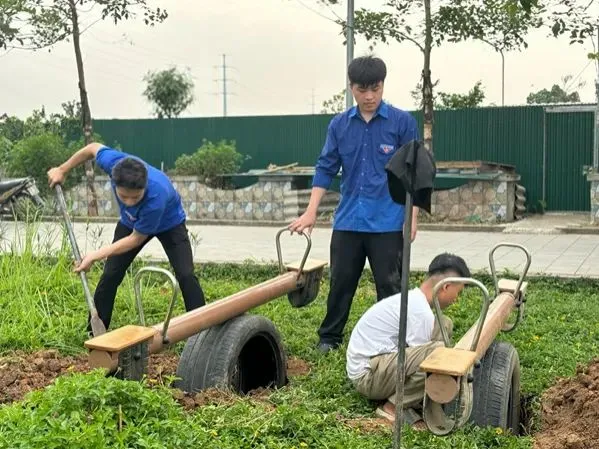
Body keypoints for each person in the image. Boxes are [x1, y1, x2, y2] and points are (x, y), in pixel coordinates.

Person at [288, 55, 420, 352]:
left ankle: (392, 341)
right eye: (362, 89)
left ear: (383, 85)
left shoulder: (402, 123)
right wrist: (311, 212)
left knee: (389, 285)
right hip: (348, 220)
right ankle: (330, 338)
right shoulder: (339, 125)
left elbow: (415, 171)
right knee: (341, 282)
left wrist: (412, 217)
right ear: (351, 88)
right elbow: (325, 167)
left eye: (375, 88)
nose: (369, 96)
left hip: (387, 220)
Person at [47, 142, 206, 331]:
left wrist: (95, 255)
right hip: (131, 222)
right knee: (111, 274)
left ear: (145, 186)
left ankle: (201, 332)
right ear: (114, 182)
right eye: (124, 197)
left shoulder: (157, 196)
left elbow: (135, 239)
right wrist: (62, 169)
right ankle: (95, 332)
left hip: (169, 224)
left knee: (186, 275)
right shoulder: (114, 163)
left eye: (135, 198)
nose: (129, 202)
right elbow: (92, 148)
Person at [346, 253, 471, 426]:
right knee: (436, 353)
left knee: (444, 323)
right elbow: (426, 363)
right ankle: (392, 407)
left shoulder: (414, 299)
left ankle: (418, 397)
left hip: (378, 363)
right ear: (446, 287)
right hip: (368, 377)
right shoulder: (420, 312)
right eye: (458, 293)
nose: (456, 299)